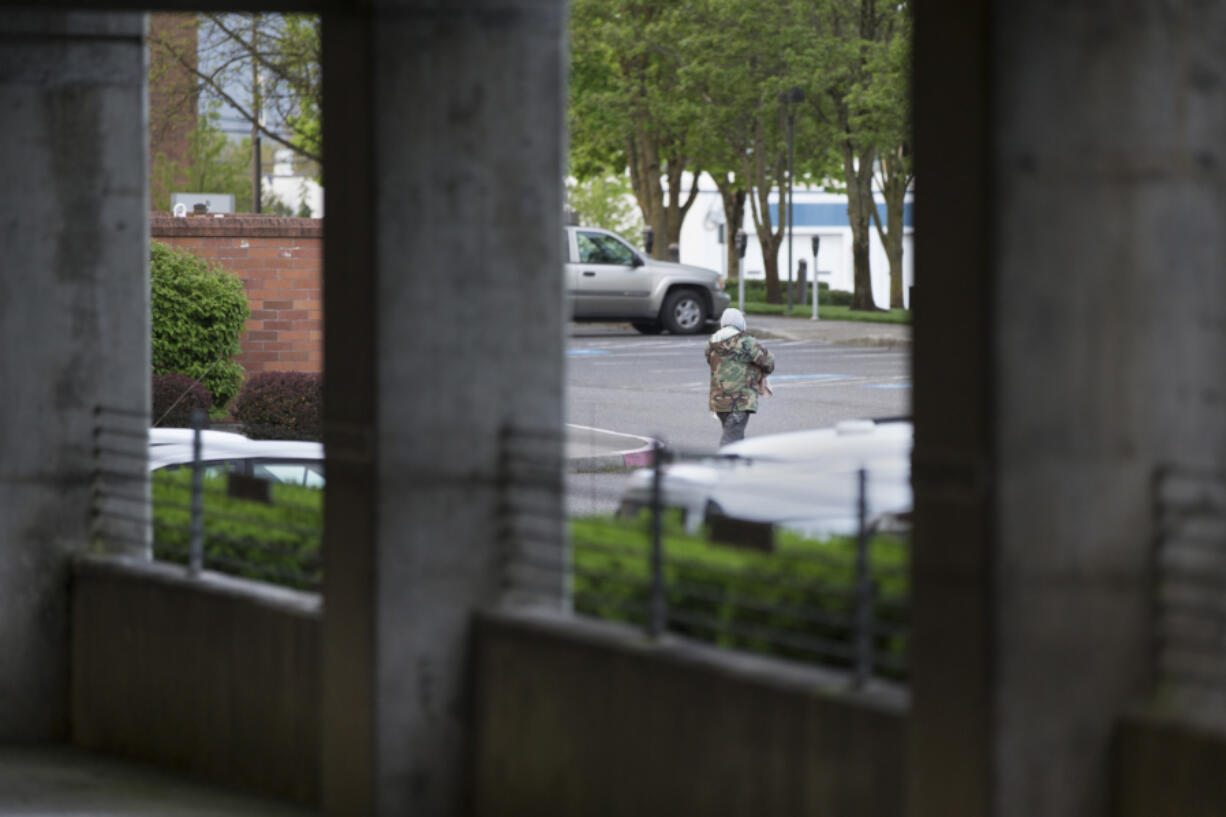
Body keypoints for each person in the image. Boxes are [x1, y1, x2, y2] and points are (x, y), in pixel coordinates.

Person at [705, 307, 775, 446]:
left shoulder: (712, 343)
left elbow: (710, 360)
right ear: (740, 323)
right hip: (740, 401)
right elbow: (769, 362)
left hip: (719, 401)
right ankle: (725, 465)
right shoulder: (746, 342)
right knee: (731, 440)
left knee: (734, 435)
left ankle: (736, 464)